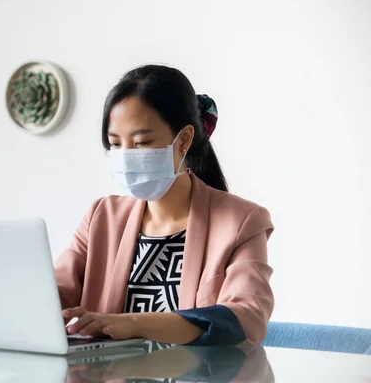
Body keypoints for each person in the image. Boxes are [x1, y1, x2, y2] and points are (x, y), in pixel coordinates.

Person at [55, 65, 274, 346]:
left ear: (183, 140)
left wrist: (131, 323)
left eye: (142, 142)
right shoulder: (102, 216)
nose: (126, 157)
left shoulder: (242, 222)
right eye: (115, 144)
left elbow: (246, 317)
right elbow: (52, 296)